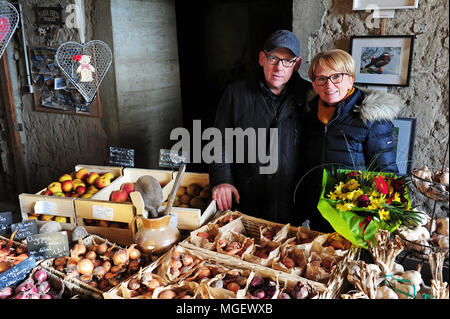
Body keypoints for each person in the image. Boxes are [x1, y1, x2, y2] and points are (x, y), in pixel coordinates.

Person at [209, 30, 312, 224]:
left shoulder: (310, 96)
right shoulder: (236, 93)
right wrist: (222, 178)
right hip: (247, 197)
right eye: (273, 58)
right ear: (262, 58)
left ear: (296, 65)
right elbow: (218, 140)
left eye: (287, 60)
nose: (279, 67)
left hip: (293, 201)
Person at [298, 49, 403, 232]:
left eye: (336, 77)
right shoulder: (311, 113)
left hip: (355, 215)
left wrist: (388, 221)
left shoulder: (371, 117)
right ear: (314, 84)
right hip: (320, 211)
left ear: (351, 79)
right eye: (321, 79)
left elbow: (386, 172)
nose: (328, 85)